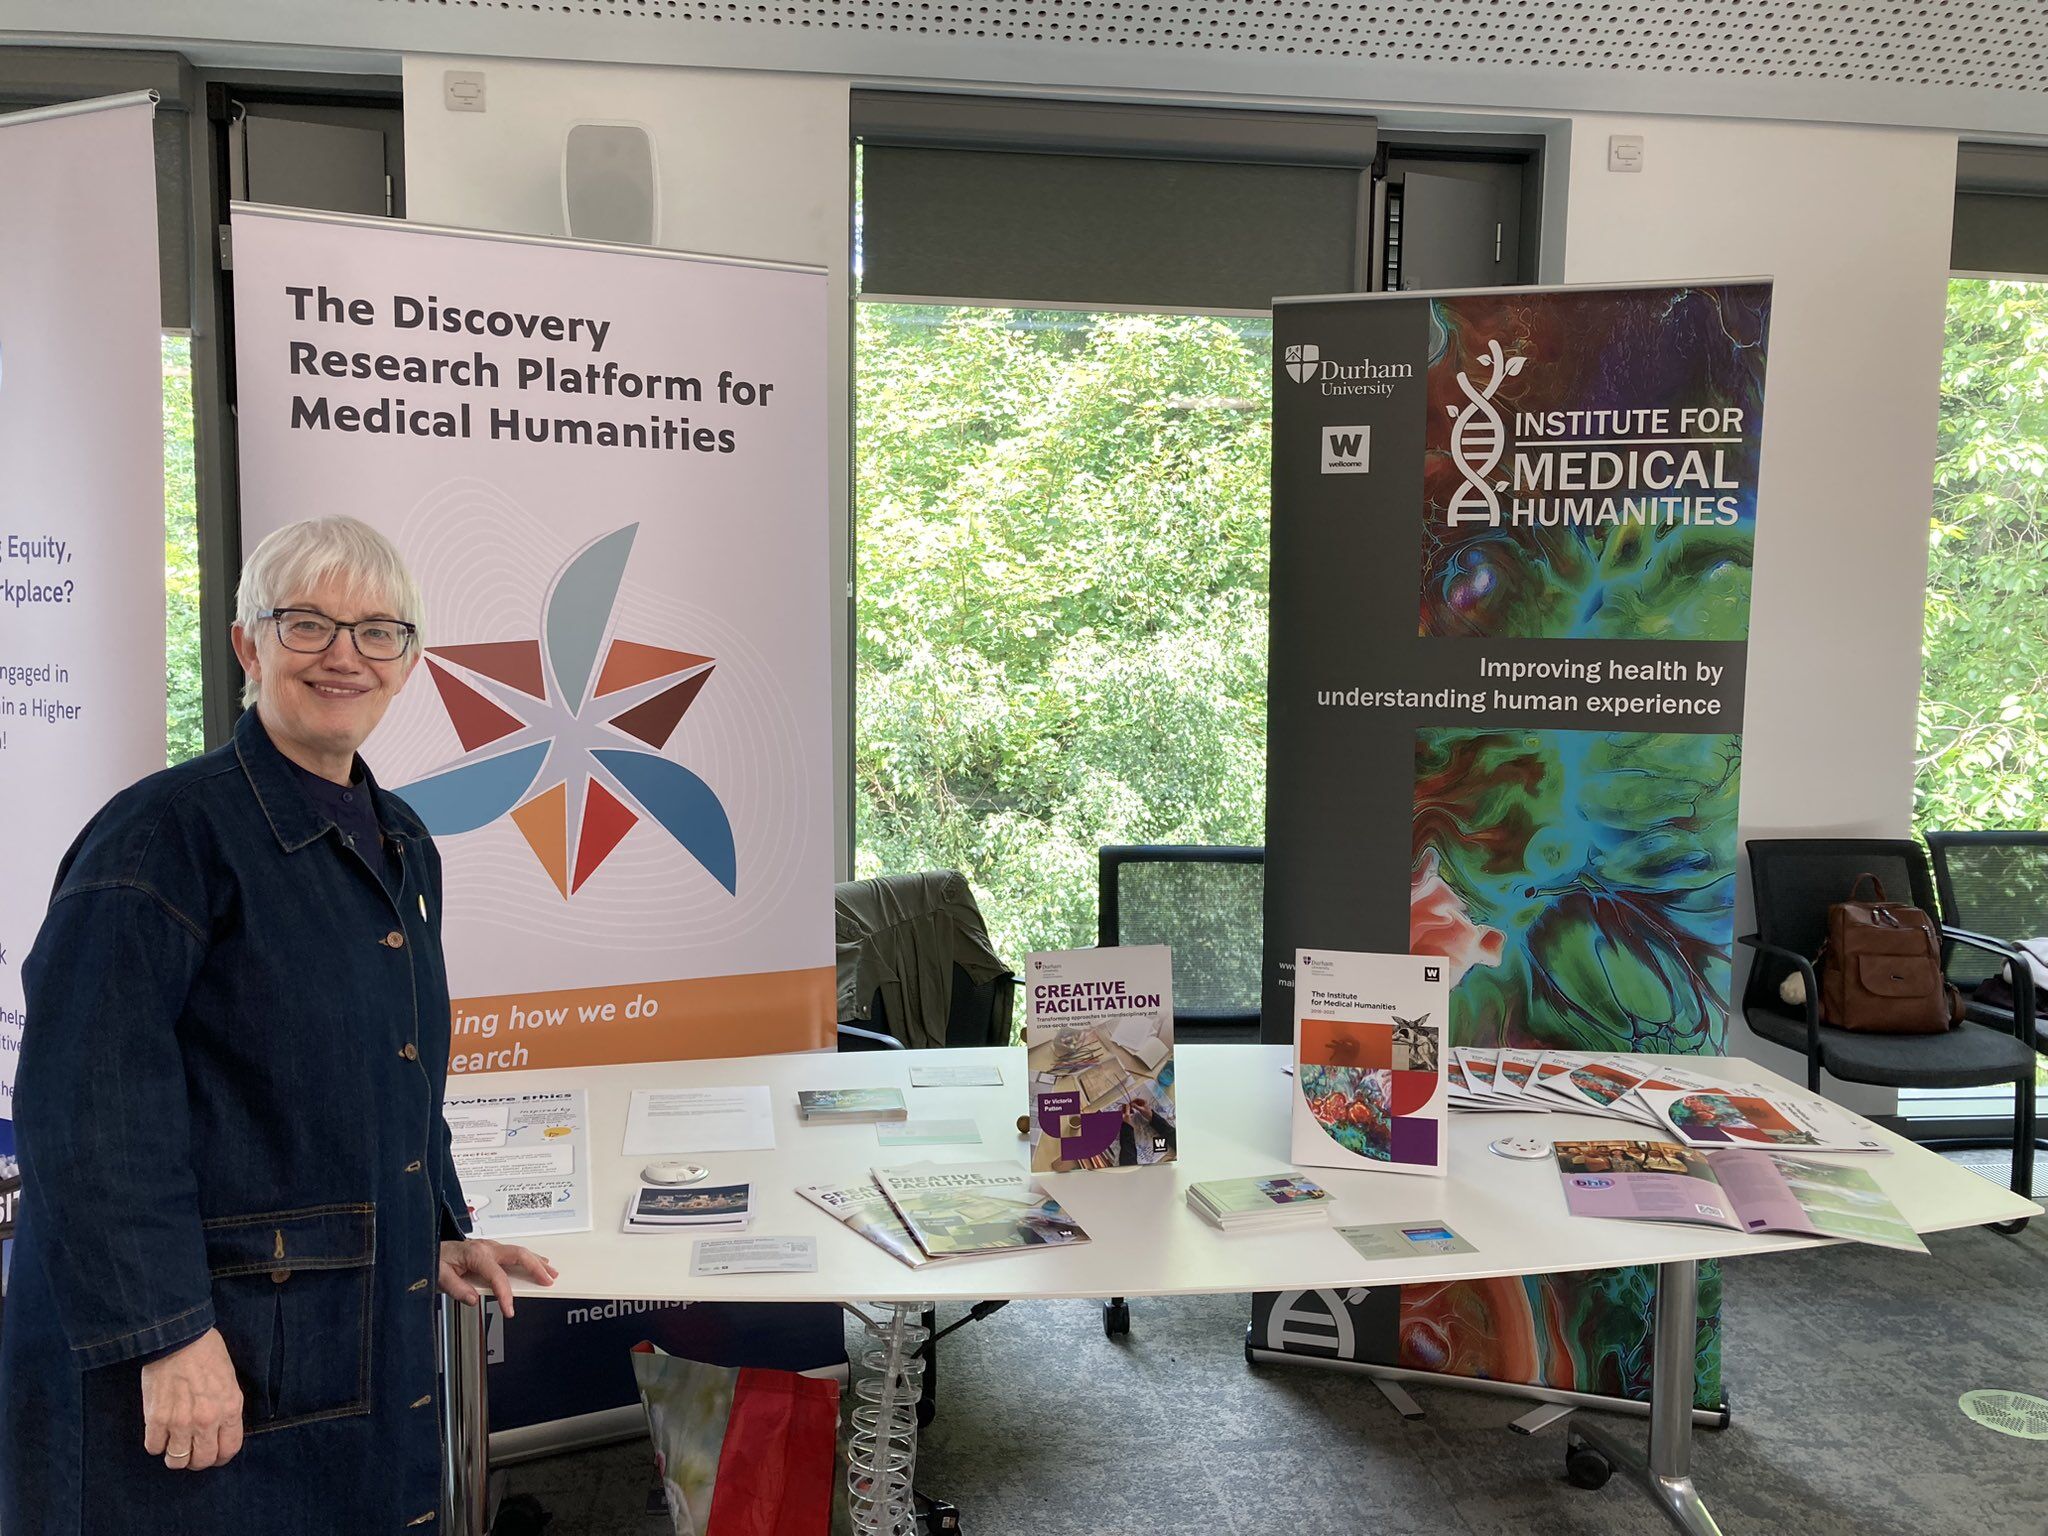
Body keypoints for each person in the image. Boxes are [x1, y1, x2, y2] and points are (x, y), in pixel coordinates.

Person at [0, 516, 556, 1535]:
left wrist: (434, 1224)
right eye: (307, 623)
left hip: (330, 1328)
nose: (344, 654)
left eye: (378, 631)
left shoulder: (402, 842)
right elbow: (88, 1111)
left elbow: (397, 1063)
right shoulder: (162, 836)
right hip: (201, 1349)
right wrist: (166, 1337)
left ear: (408, 662)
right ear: (249, 646)